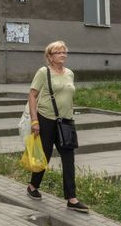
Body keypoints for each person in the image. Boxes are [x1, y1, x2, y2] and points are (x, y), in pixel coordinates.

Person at [25, 41, 88, 213]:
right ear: (50, 56)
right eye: (58, 52)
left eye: (64, 52)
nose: (63, 55)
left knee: (69, 158)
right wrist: (34, 121)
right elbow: (32, 96)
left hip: (66, 122)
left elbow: (69, 96)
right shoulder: (43, 72)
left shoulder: (69, 73)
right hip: (46, 120)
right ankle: (32, 186)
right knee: (44, 155)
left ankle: (72, 198)